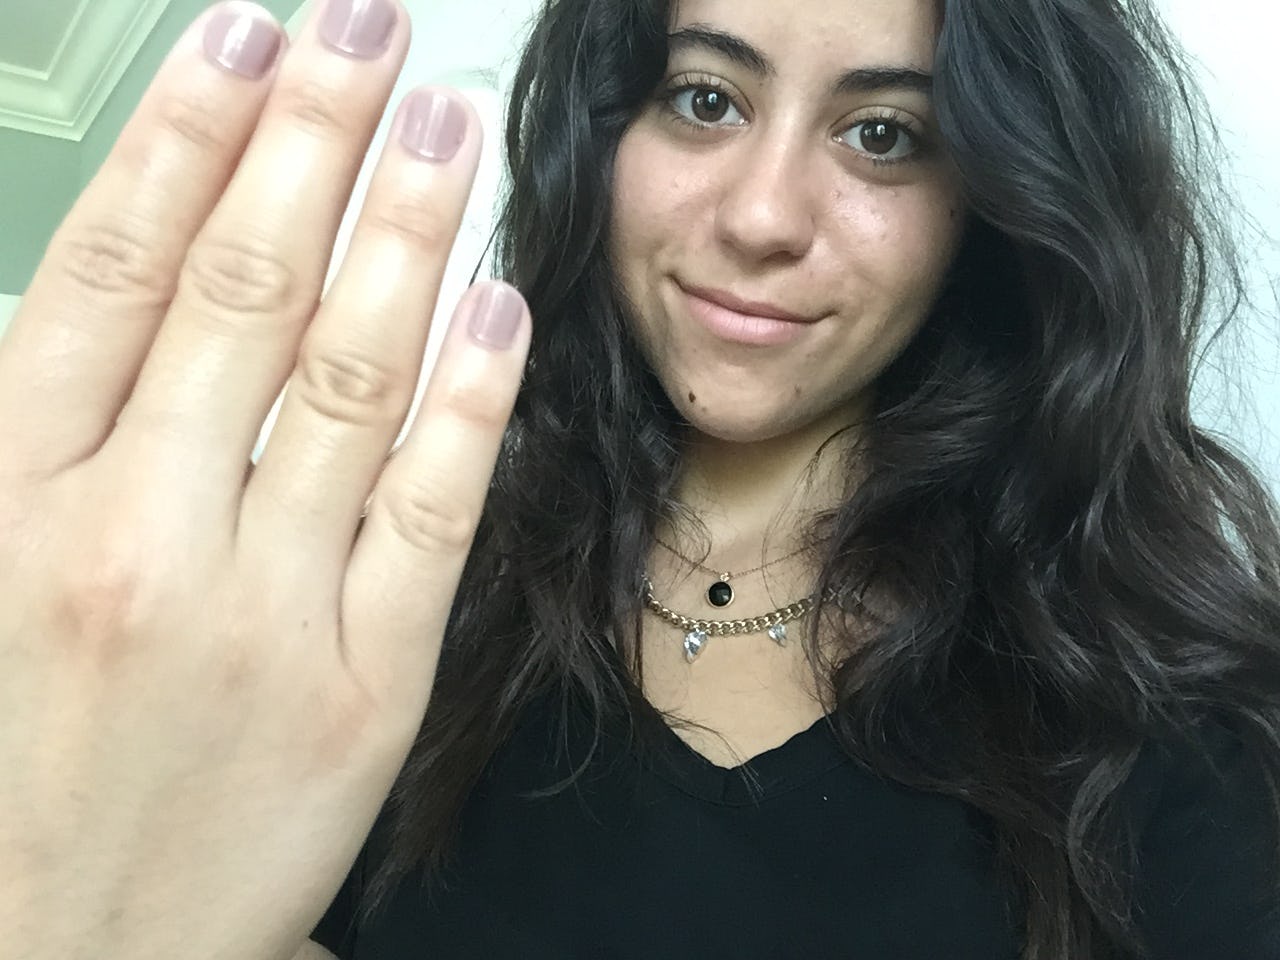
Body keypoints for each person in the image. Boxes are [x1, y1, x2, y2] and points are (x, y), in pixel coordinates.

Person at [2, 0, 1278, 956]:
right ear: (606, 127)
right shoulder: (360, 594)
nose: (761, 217)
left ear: (989, 205)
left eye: (884, 135)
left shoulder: (1165, 712)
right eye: (705, 99)